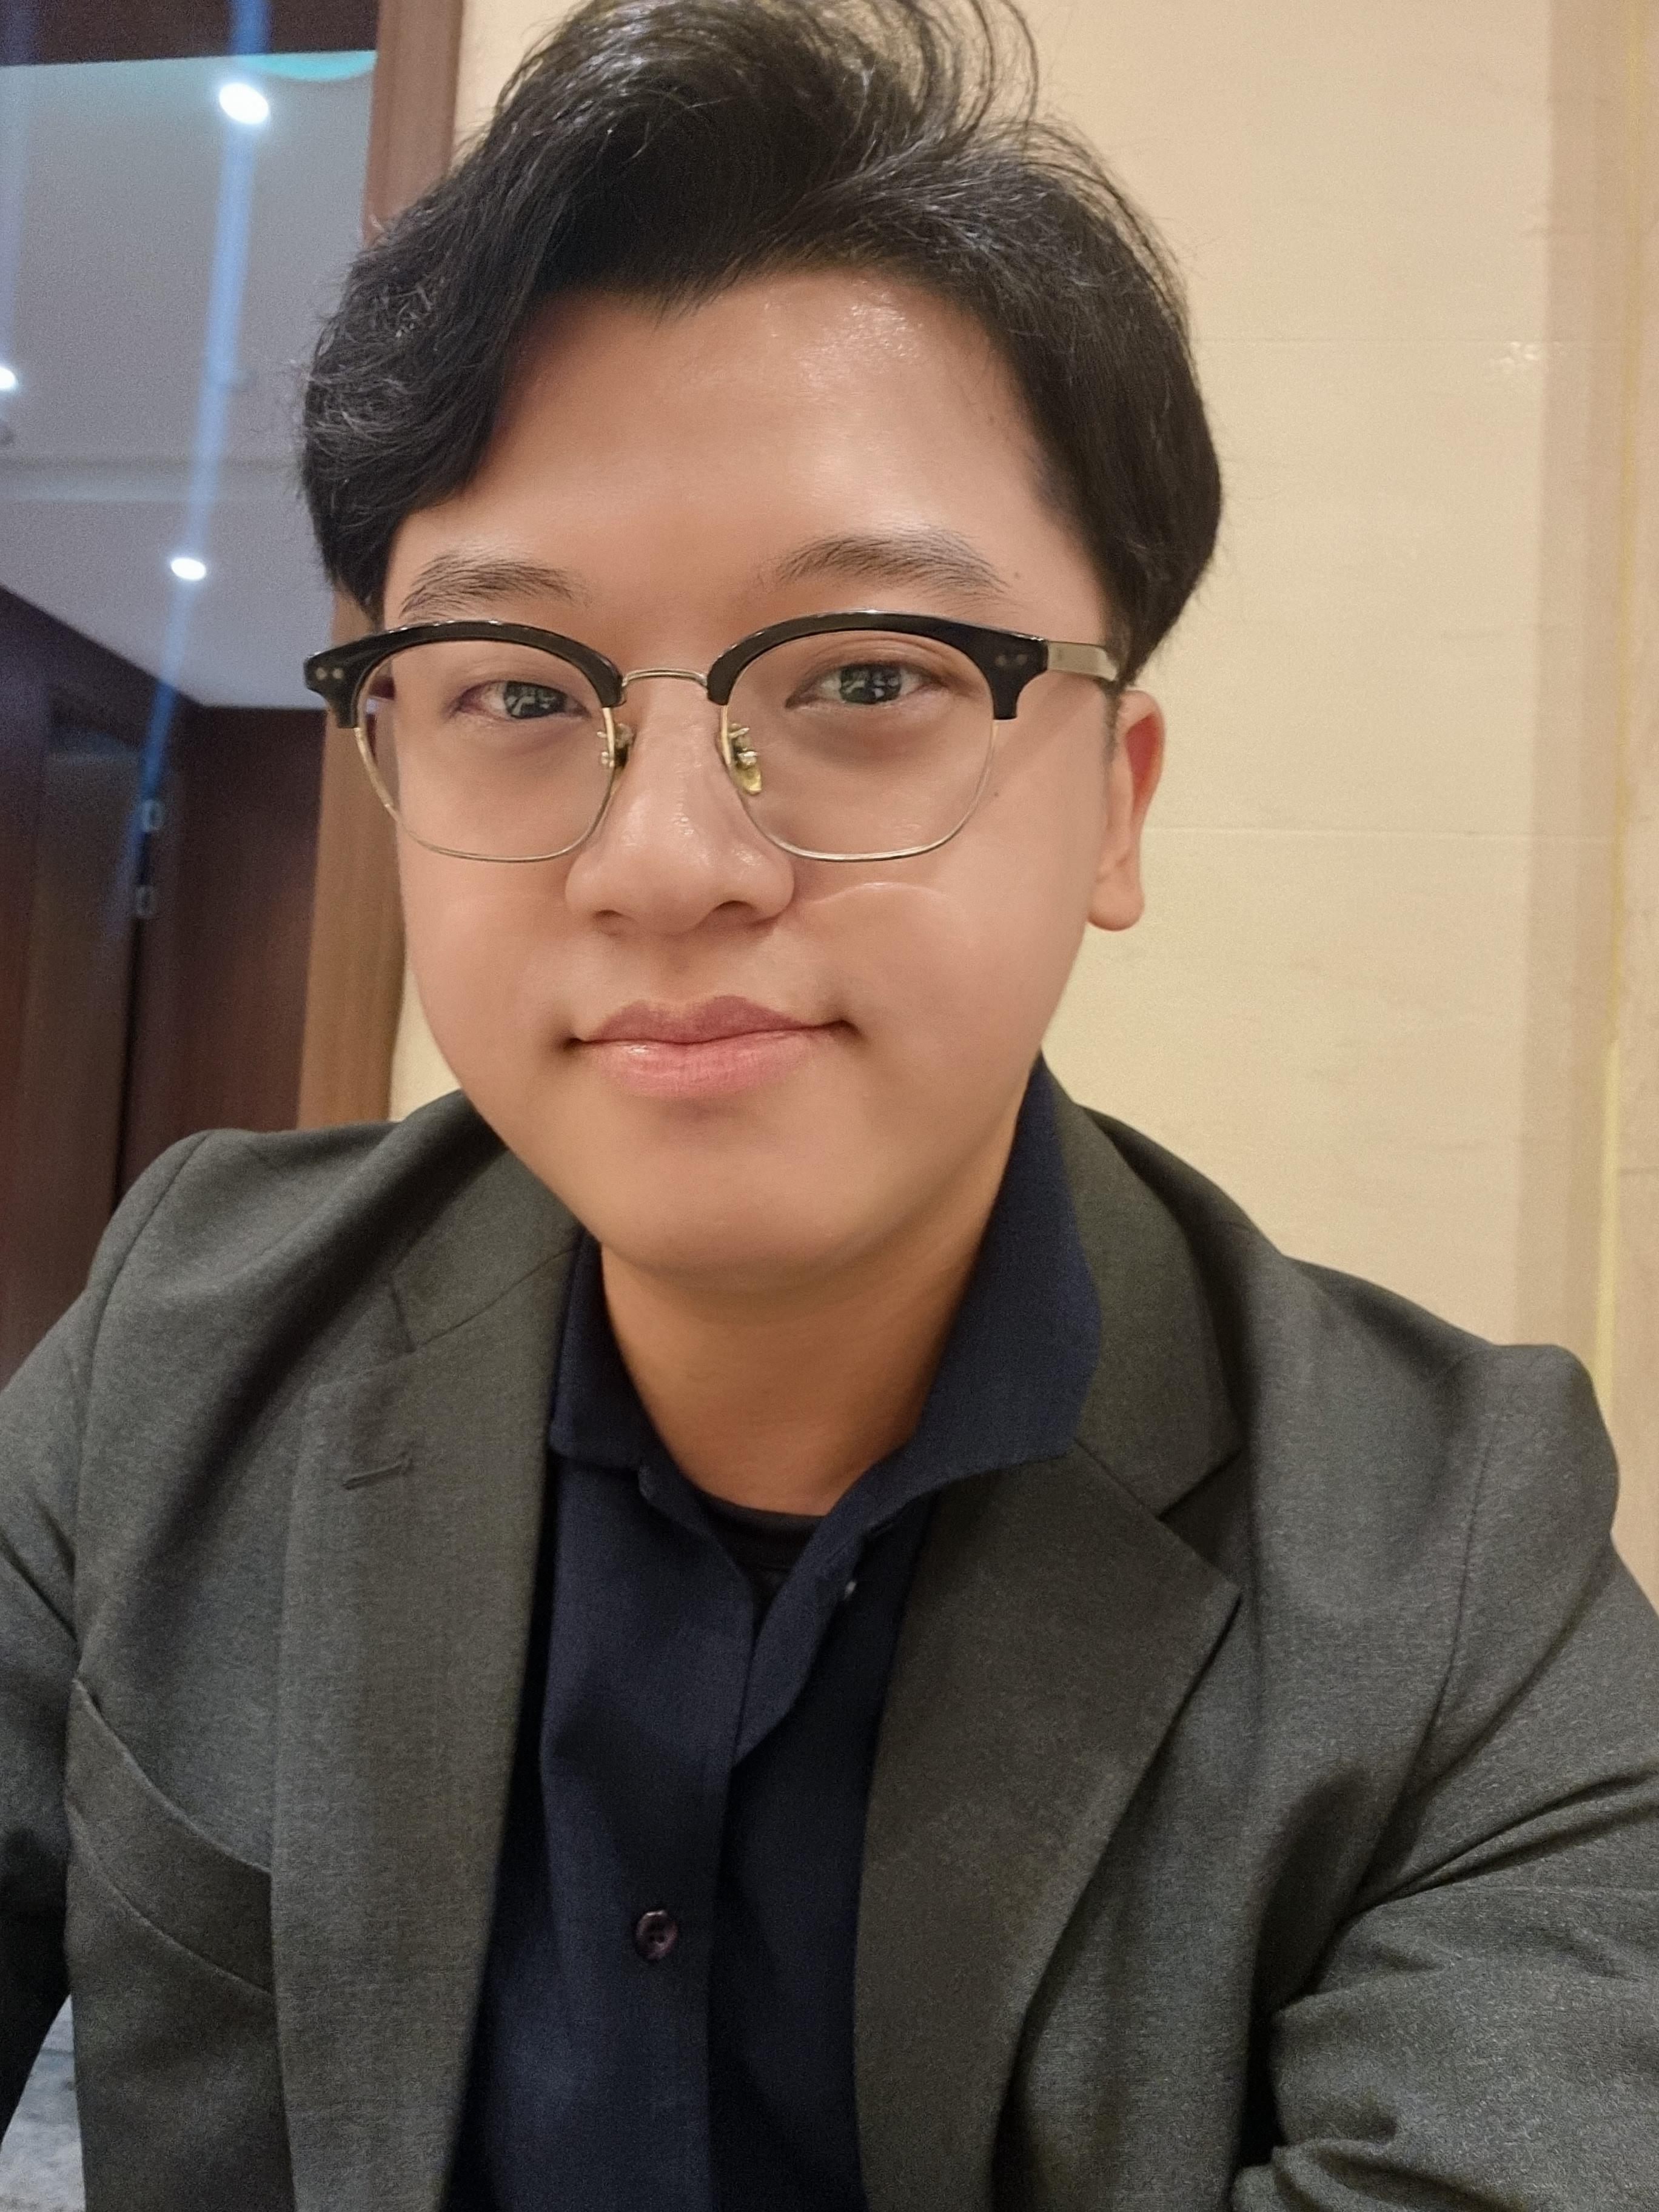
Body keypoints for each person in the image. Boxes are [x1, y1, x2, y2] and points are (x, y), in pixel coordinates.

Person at [3, 0, 1657, 2204]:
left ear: (1114, 806)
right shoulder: (181, 1351)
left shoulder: (1458, 1569)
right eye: (514, 691)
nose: (668, 861)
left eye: (869, 674)